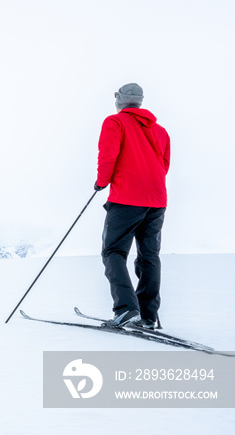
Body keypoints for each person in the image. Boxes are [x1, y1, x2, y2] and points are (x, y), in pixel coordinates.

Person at [94, 83, 171, 329]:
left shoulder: (114, 122)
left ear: (120, 100)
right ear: (139, 102)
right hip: (157, 200)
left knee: (113, 252)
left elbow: (108, 155)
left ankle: (126, 309)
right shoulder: (160, 131)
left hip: (126, 199)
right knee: (149, 256)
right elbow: (164, 165)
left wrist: (101, 182)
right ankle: (148, 316)